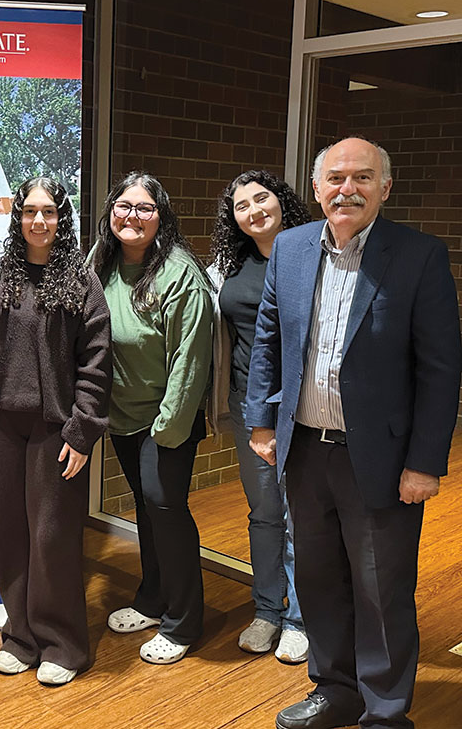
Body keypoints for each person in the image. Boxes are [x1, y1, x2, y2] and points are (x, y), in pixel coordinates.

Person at [246, 137, 461, 729]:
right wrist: (261, 421)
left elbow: (441, 370)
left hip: (384, 458)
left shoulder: (418, 255)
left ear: (384, 189)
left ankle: (386, 711)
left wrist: (425, 462)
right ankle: (334, 688)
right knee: (317, 580)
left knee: (381, 589)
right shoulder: (289, 249)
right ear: (316, 189)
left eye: (363, 178)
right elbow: (269, 338)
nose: (348, 189)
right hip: (305, 450)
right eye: (336, 178)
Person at [0, 176, 111, 686]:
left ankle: (63, 643)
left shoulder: (81, 281)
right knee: (9, 534)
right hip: (1, 428)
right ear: (17, 217)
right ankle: (20, 636)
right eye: (29, 211)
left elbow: (97, 362)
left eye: (50, 212)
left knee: (53, 537)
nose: (39, 221)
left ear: (63, 219)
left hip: (56, 431)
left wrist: (82, 432)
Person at [93, 172, 213, 665]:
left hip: (166, 420)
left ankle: (184, 622)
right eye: (124, 205)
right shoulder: (101, 262)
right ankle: (153, 598)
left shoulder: (180, 273)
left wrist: (168, 428)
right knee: (146, 508)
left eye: (145, 208)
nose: (132, 216)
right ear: (111, 211)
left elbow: (190, 360)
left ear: (161, 217)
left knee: (166, 508)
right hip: (122, 415)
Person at [208, 170, 311, 664]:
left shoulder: (313, 256)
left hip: (304, 409)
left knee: (300, 517)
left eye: (261, 198)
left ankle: (301, 619)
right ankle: (268, 610)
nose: (253, 210)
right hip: (250, 408)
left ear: (281, 201)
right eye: (241, 205)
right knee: (265, 512)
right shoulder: (234, 265)